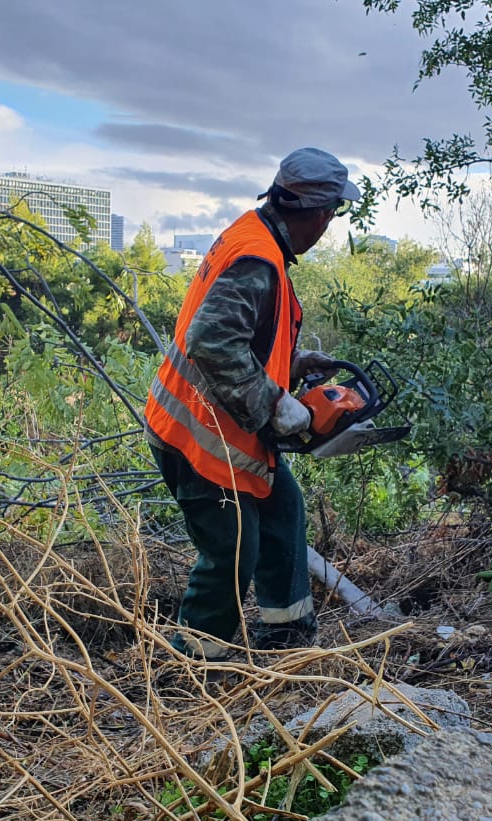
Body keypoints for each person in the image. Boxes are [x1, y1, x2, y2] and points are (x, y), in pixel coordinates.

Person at [144, 147, 360, 660]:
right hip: (199, 436)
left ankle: (288, 641)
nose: (329, 224)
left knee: (283, 512)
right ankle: (194, 665)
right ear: (317, 213)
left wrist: (292, 363)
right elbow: (211, 343)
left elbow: (241, 336)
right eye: (332, 213)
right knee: (231, 554)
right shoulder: (257, 259)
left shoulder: (253, 235)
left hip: (221, 428)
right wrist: (279, 406)